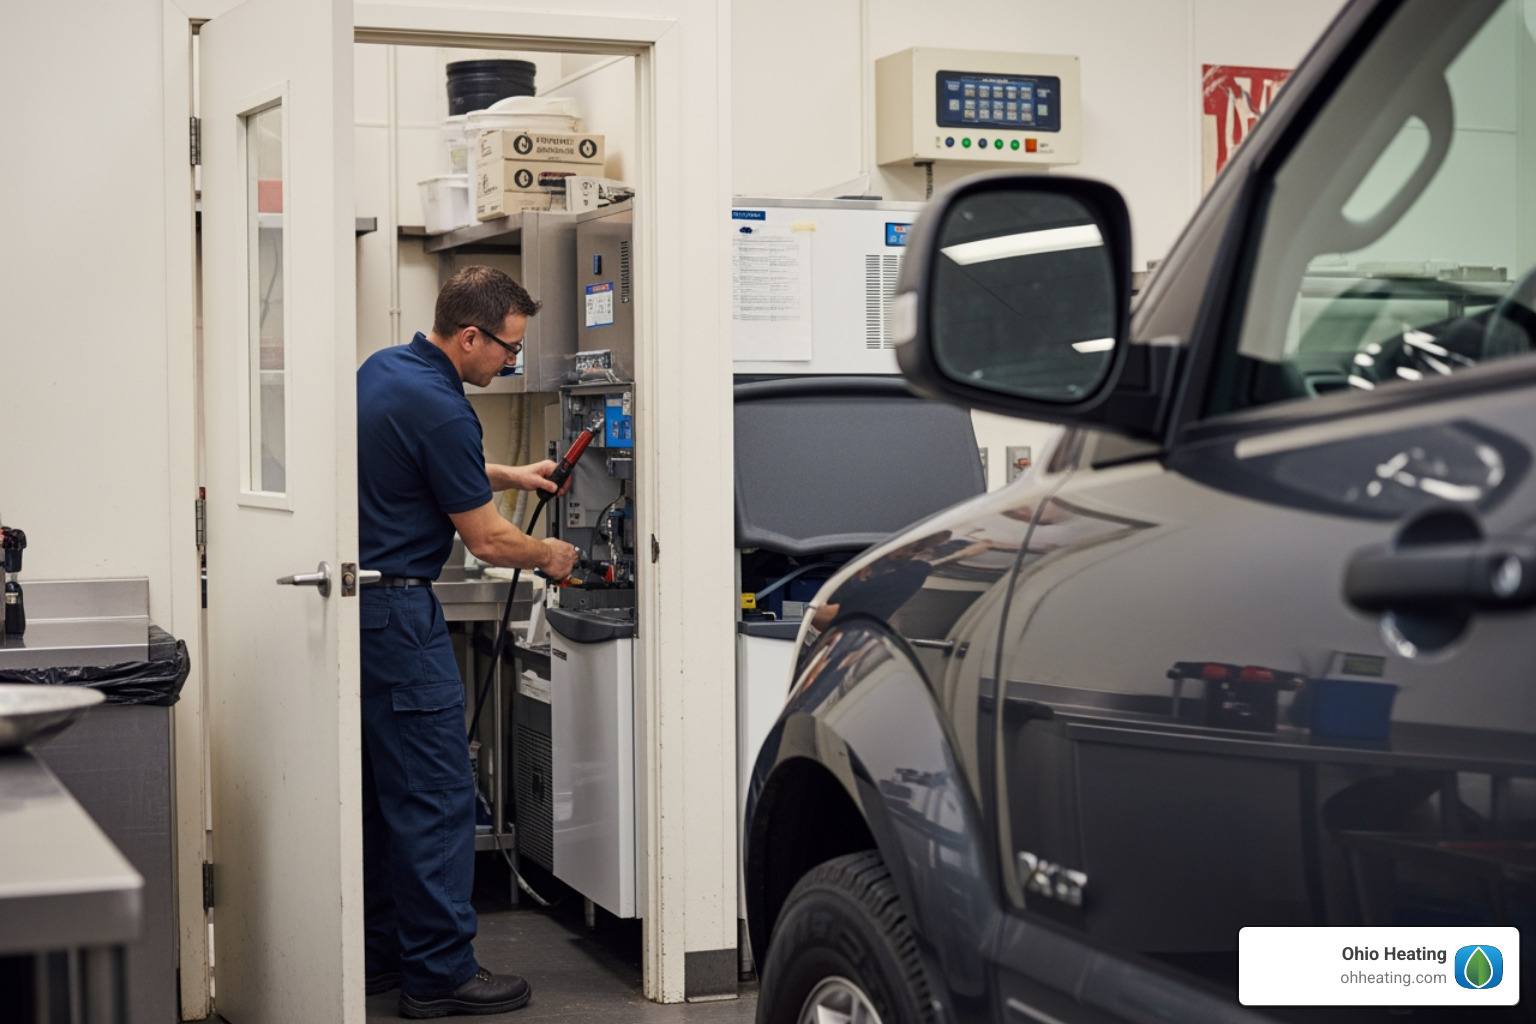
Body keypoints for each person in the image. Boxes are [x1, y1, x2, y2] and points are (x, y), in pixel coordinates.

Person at [356, 265, 578, 1018]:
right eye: (508, 351)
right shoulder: (448, 410)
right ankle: (442, 974)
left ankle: (384, 956)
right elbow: (486, 541)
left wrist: (509, 473)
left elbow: (422, 462)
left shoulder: (387, 369)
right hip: (399, 619)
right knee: (438, 797)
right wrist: (551, 555)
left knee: (387, 799)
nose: (511, 364)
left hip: (361, 611)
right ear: (471, 336)